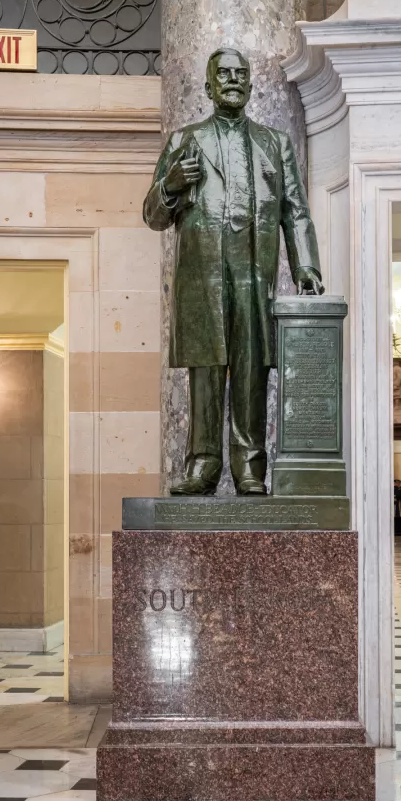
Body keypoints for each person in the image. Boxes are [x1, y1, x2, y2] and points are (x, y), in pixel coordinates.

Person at [144, 47, 323, 496]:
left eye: (240, 74)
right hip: (202, 277)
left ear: (250, 85)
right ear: (207, 86)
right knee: (206, 371)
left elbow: (295, 212)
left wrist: (305, 265)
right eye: (223, 73)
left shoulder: (274, 143)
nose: (233, 79)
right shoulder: (185, 140)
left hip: (252, 275)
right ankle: (203, 463)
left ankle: (249, 466)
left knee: (251, 372)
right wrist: (170, 186)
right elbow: (152, 216)